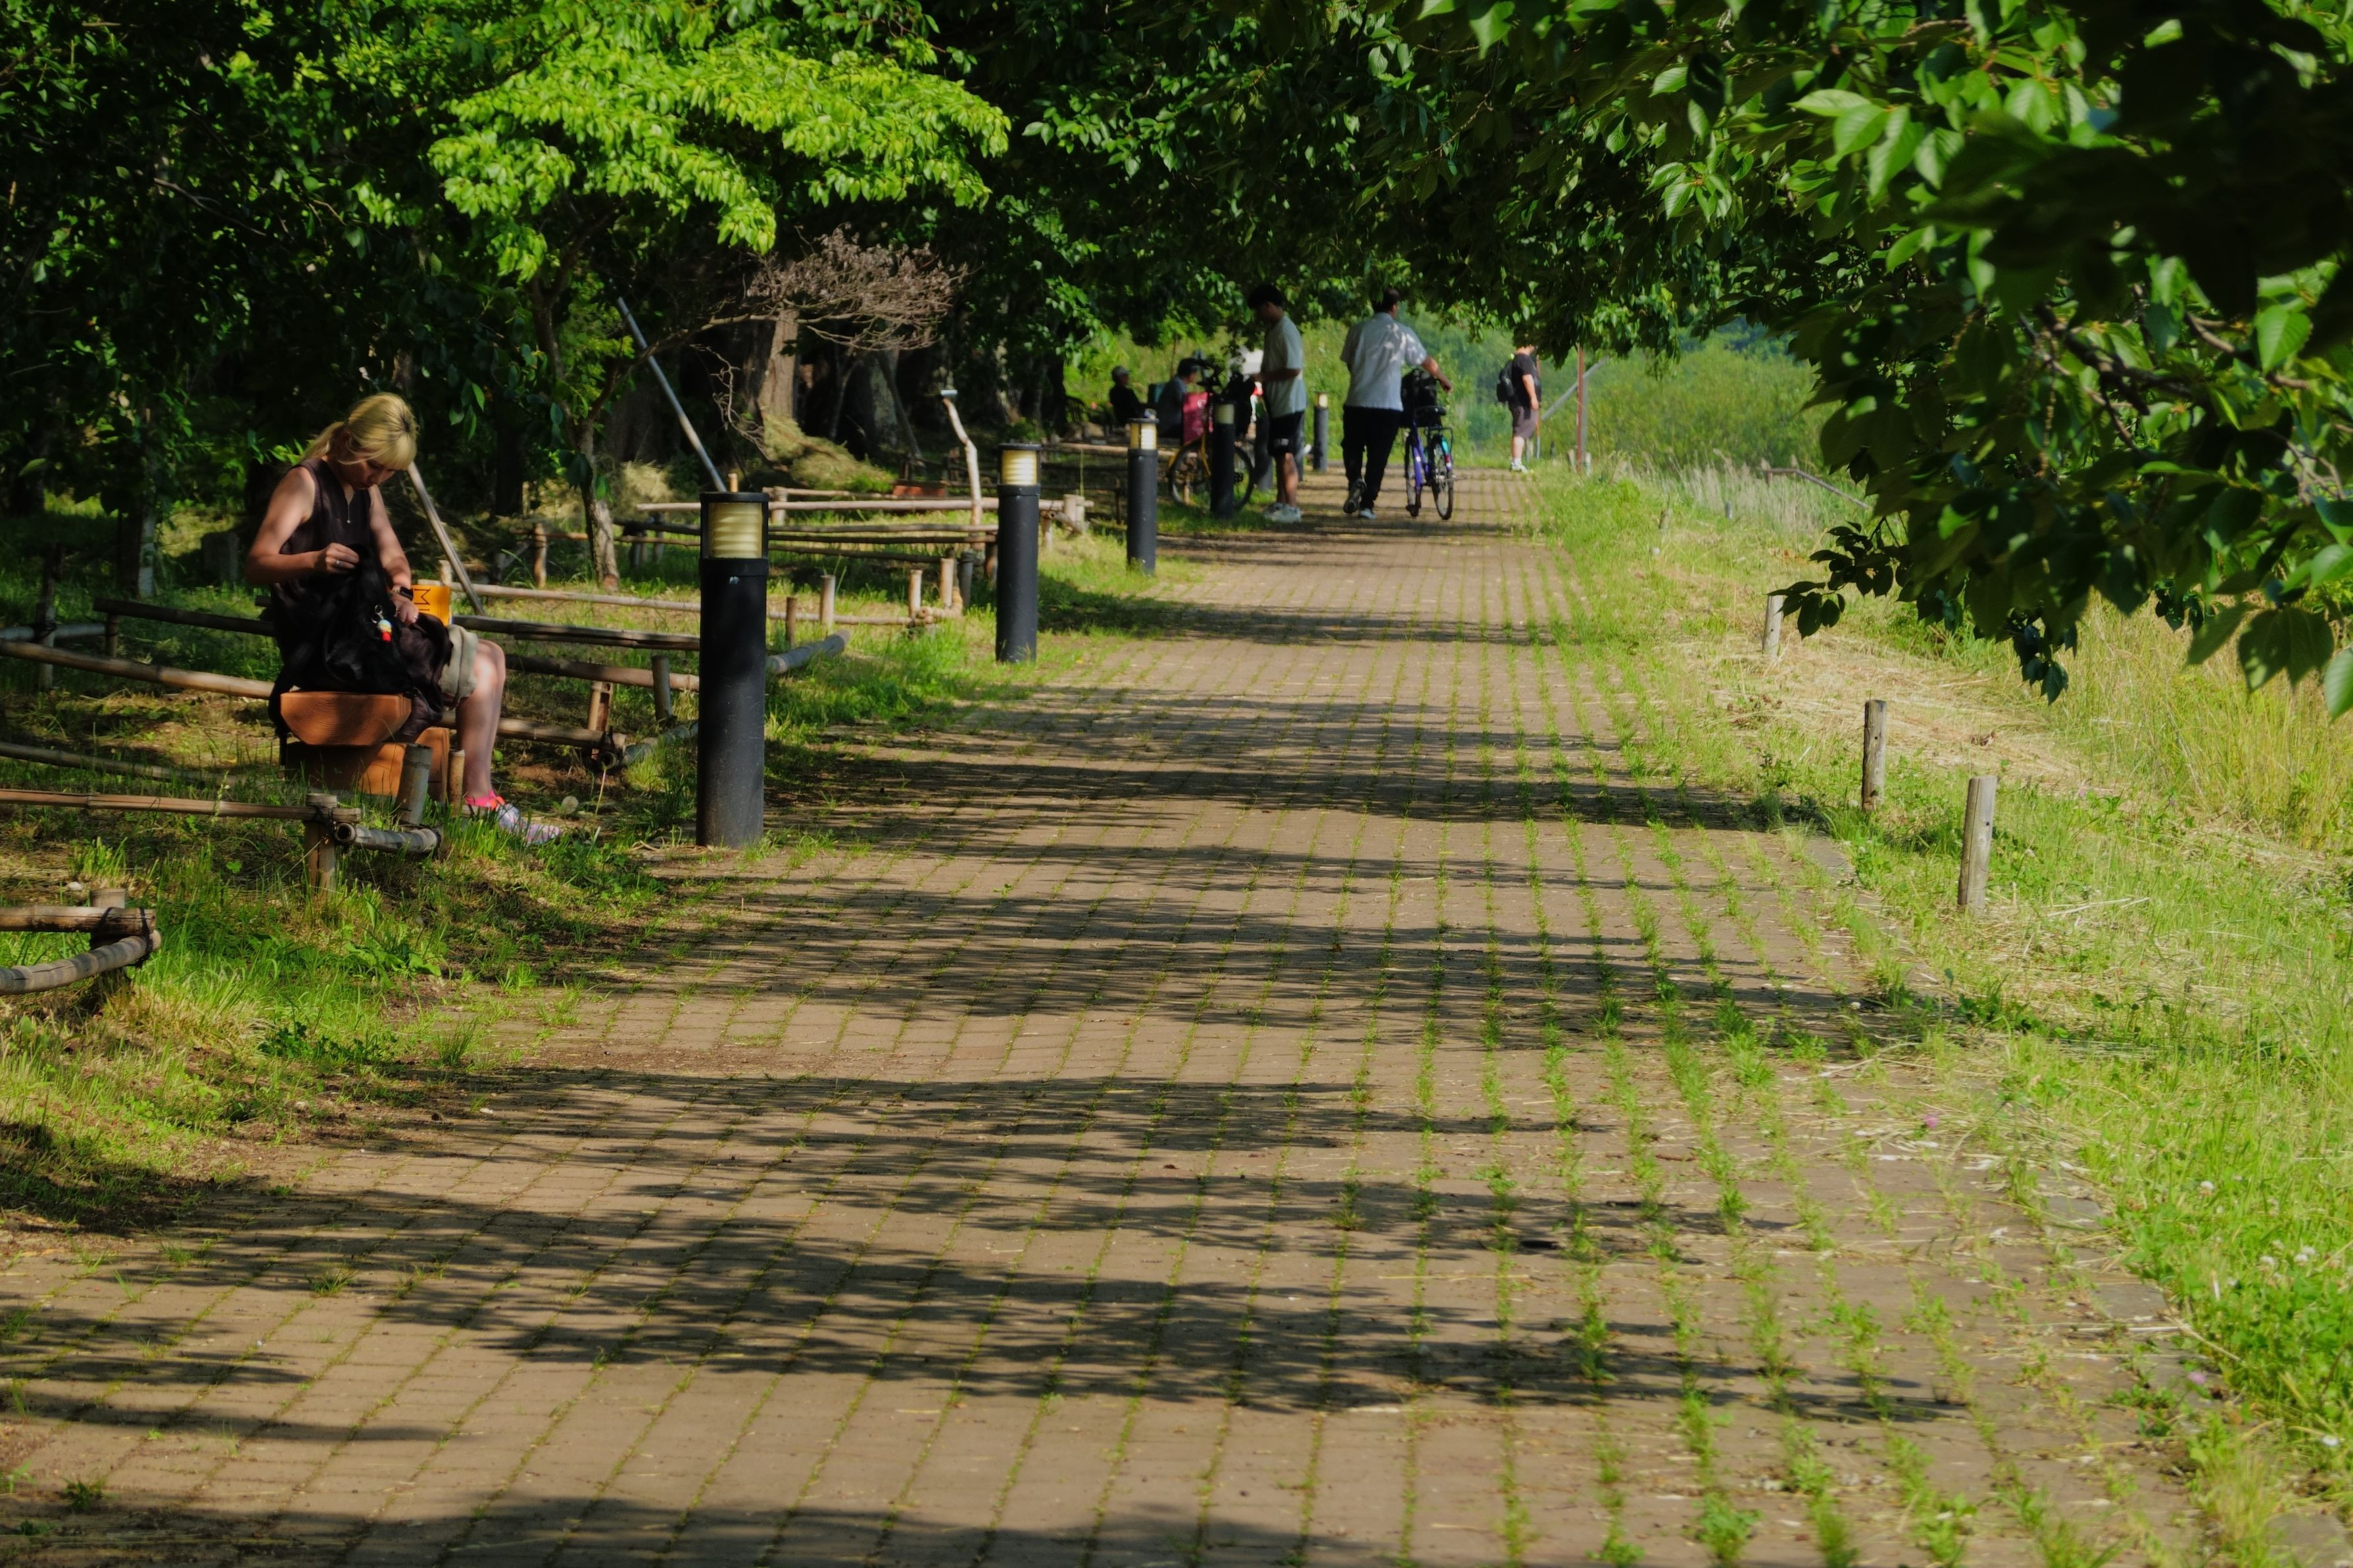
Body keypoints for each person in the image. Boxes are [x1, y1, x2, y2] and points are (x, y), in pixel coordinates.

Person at [247, 392, 556, 843]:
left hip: (365, 630)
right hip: (329, 647)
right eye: (375, 466)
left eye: (390, 471)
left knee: (492, 654)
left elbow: (393, 553)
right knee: (481, 665)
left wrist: (401, 591)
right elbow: (257, 563)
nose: (380, 477)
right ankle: (476, 798)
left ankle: (482, 794)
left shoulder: (366, 491)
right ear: (348, 441)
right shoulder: (304, 482)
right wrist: (313, 560)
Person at [1339, 287, 1451, 519]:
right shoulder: (1402, 333)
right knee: (1378, 456)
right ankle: (1367, 506)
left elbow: (1350, 363)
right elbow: (1425, 361)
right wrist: (1443, 379)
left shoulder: (1358, 330)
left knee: (1352, 447)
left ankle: (1355, 480)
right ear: (1394, 307)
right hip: (1387, 406)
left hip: (1357, 401)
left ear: (1373, 305)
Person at [1250, 285, 1305, 523]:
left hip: (1289, 403)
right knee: (1278, 453)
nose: (1259, 316)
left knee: (1285, 454)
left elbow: (1294, 369)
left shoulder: (1286, 330)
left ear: (1269, 306)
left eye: (1259, 310)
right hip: (1277, 403)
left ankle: (1293, 507)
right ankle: (1281, 502)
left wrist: (1264, 377)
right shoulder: (1273, 331)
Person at [1507, 343, 1541, 471]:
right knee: (1521, 432)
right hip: (1523, 404)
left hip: (1519, 403)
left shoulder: (1517, 359)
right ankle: (1516, 463)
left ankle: (1516, 461)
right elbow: (1527, 379)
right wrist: (1533, 398)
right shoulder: (1524, 359)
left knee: (1520, 430)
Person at [1108, 366, 1144, 431]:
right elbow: (1137, 408)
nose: (1128, 378)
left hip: (1120, 421)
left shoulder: (1112, 392)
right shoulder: (1128, 393)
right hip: (1132, 422)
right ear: (1120, 377)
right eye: (1126, 375)